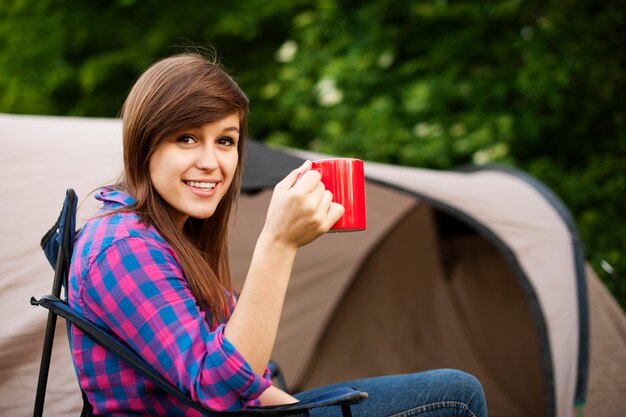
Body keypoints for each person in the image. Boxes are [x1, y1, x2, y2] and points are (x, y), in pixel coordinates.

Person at [67, 51, 488, 417]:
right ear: (143, 145)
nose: (212, 162)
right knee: (456, 397)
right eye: (187, 138)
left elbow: (251, 382)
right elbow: (217, 388)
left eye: (226, 141)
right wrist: (279, 242)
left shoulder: (168, 236)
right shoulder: (123, 245)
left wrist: (298, 410)